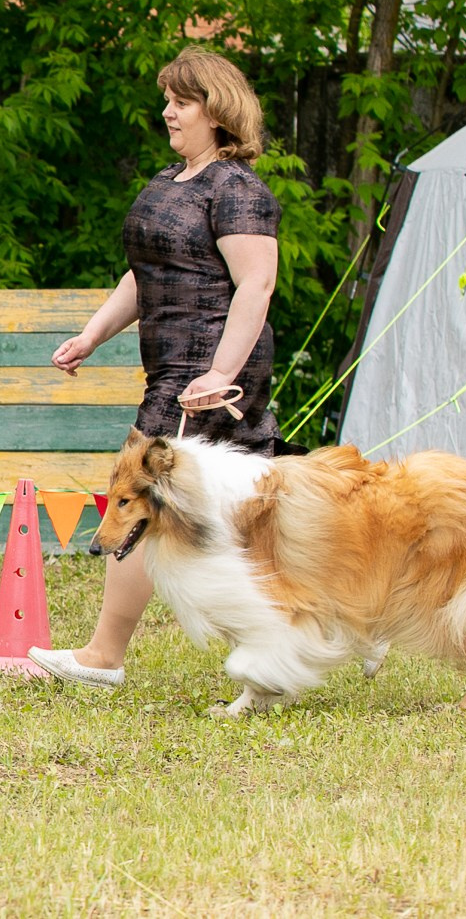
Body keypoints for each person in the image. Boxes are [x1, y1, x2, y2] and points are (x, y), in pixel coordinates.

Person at [31, 47, 281, 689]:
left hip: (209, 371)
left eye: (182, 102)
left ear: (217, 111)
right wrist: (92, 335)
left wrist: (220, 375)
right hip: (170, 368)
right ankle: (332, 621)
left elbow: (256, 286)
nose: (167, 111)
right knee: (236, 508)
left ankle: (103, 657)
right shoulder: (173, 182)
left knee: (143, 497)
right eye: (168, 99)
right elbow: (145, 277)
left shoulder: (237, 189)